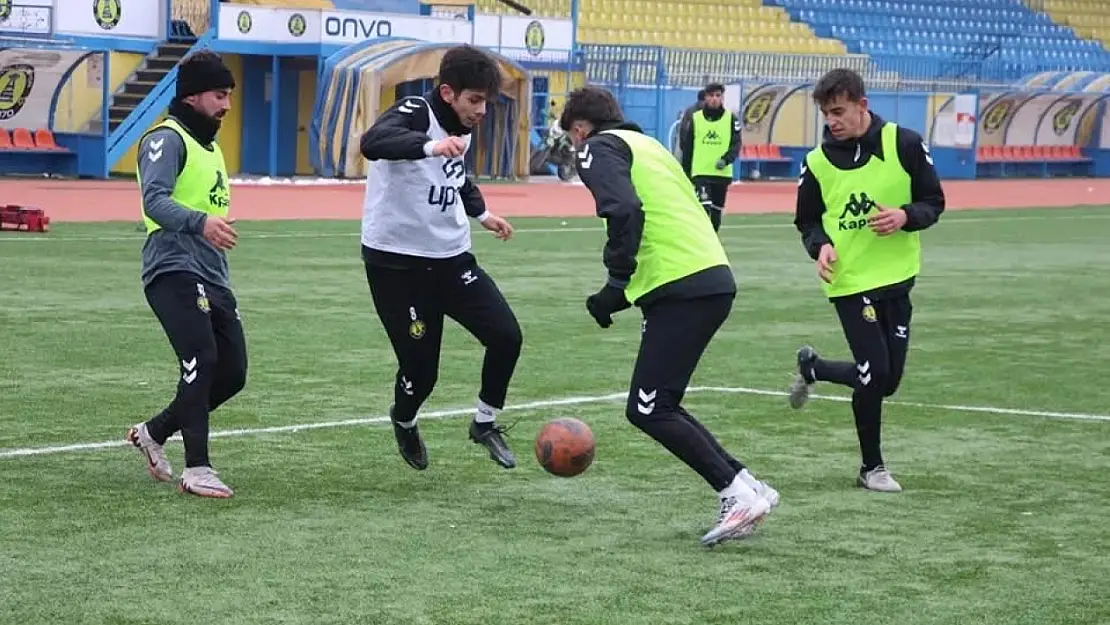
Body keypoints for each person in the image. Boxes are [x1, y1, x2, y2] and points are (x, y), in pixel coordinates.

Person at [560, 85, 778, 547]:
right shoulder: (651, 146)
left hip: (681, 286)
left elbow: (624, 209)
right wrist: (619, 294)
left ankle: (735, 492)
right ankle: (746, 483)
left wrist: (617, 281)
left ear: (580, 129)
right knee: (662, 401)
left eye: (573, 138)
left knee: (649, 408)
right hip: (707, 277)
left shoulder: (599, 147)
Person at [358, 44, 521, 471]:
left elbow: (456, 174)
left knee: (506, 336)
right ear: (447, 93)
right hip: (397, 265)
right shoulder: (414, 110)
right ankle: (404, 420)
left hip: (452, 259)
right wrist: (431, 147)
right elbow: (372, 142)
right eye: (475, 100)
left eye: (487, 100)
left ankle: (484, 423)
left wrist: (482, 214)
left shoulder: (462, 127)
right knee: (421, 373)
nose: (482, 110)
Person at [787, 68, 945, 493]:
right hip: (850, 280)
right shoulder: (816, 162)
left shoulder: (905, 144)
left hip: (897, 278)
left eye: (838, 111)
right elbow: (807, 221)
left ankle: (813, 367)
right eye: (825, 114)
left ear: (862, 105)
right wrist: (819, 246)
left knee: (887, 381)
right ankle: (870, 468)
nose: (831, 121)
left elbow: (934, 201)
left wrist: (905, 216)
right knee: (874, 373)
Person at [126, 50, 245, 499]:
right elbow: (153, 200)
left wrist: (212, 228)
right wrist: (201, 222)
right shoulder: (165, 139)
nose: (226, 105)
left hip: (212, 272)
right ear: (193, 95)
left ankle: (154, 432)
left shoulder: (209, 146)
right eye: (219, 95)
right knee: (201, 355)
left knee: (232, 372)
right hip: (171, 266)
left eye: (229, 95)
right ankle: (197, 469)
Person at [679, 82, 741, 231]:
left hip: (721, 174)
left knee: (716, 213)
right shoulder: (696, 118)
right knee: (704, 209)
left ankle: (712, 244)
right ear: (705, 98)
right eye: (711, 95)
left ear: (722, 98)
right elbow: (688, 146)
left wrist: (726, 159)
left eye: (718, 95)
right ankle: (701, 241)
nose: (714, 99)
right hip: (700, 172)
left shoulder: (731, 119)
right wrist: (685, 171)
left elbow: (736, 144)